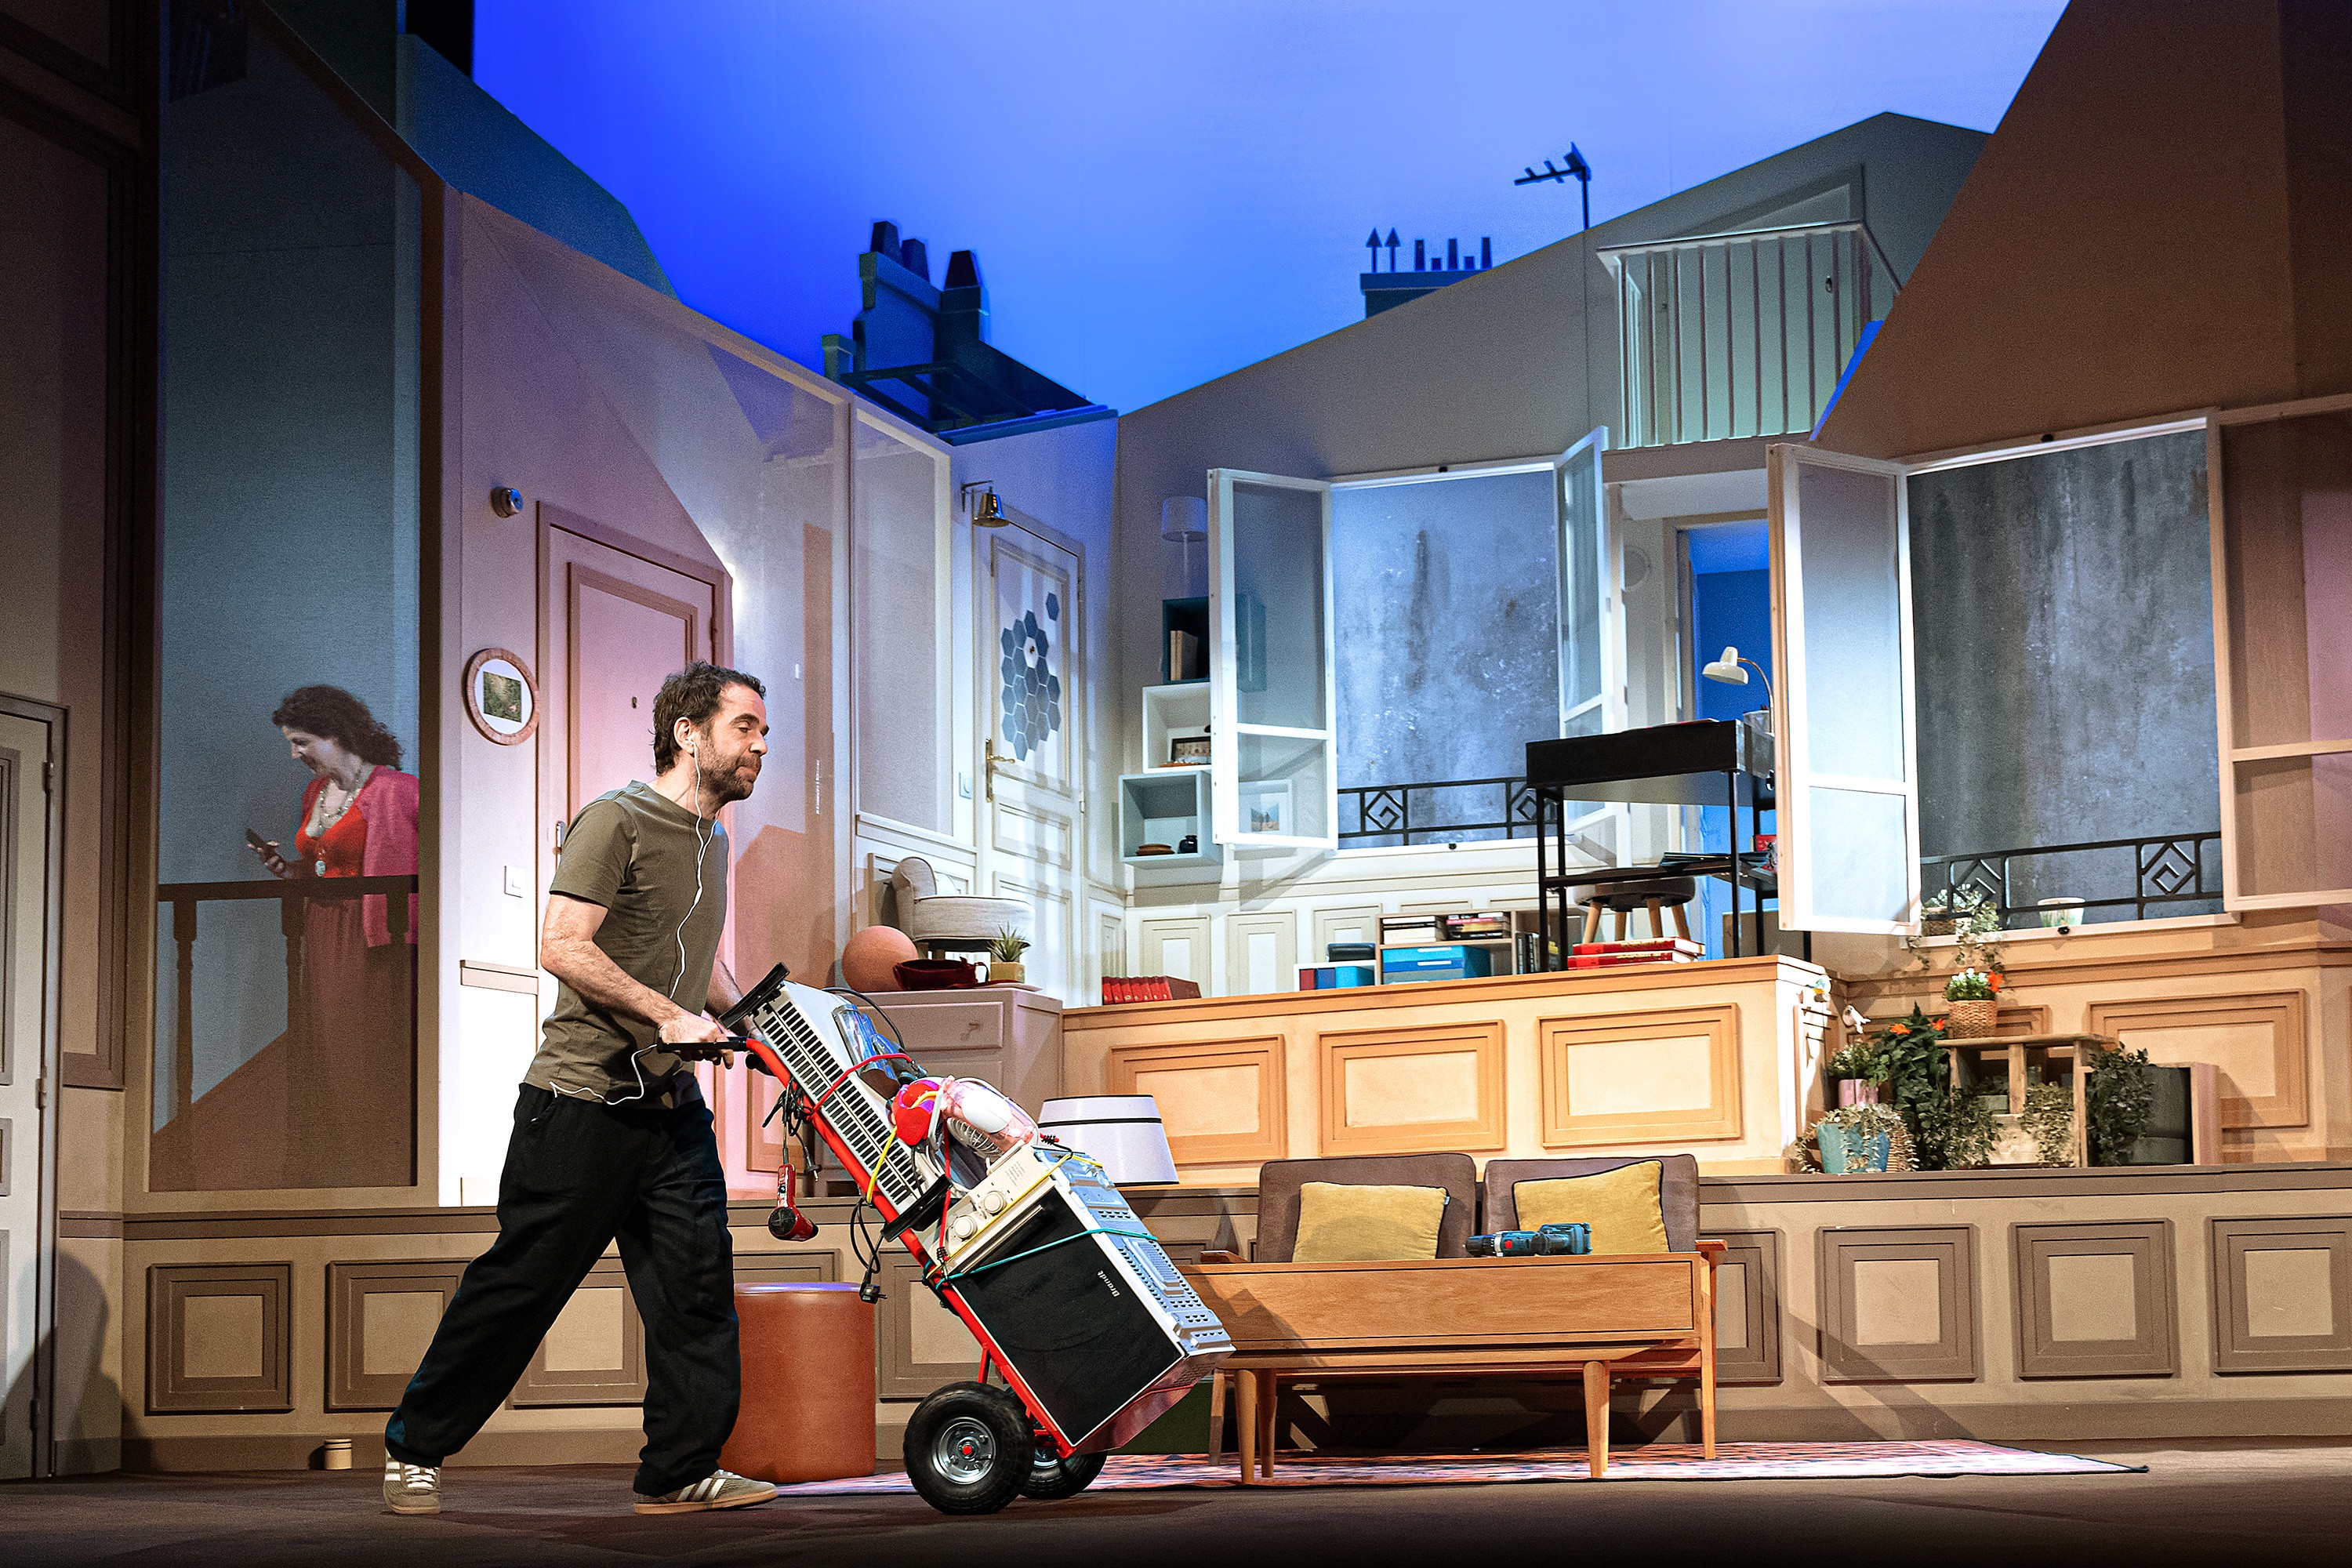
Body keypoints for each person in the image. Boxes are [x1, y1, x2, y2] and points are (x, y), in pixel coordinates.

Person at [382, 662, 775, 1516]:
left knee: (695, 1290)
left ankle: (679, 1469)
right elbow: (561, 944)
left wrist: (749, 1017)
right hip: (580, 1103)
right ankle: (415, 1447)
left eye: (762, 732)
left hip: (669, 1110)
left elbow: (691, 953)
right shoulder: (616, 819)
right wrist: (666, 1013)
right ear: (688, 733)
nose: (759, 745)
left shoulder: (711, 838)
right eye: (745, 727)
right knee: (521, 1288)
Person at [249, 685, 419, 1188]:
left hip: (371, 935)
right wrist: (289, 870)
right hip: (323, 930)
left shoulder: (396, 790)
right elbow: (326, 867)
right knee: (329, 1049)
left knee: (365, 1049)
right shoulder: (316, 794)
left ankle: (380, 1169)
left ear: (337, 734)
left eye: (302, 742)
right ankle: (343, 1165)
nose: (295, 754)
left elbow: (407, 871)